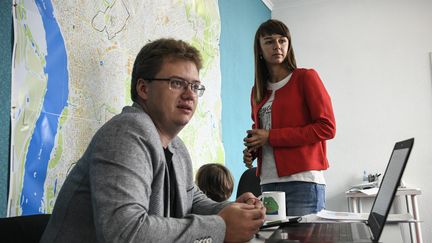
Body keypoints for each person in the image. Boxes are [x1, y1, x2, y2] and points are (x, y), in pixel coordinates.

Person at [41, 38, 265, 243]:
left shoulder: (177, 147)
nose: (190, 94)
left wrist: (236, 211)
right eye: (177, 83)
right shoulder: (126, 133)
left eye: (195, 86)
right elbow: (124, 233)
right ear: (143, 88)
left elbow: (193, 202)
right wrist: (222, 227)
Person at [243, 19, 336, 216]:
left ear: (288, 45)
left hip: (302, 182)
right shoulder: (257, 91)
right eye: (269, 41)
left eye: (282, 41)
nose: (277, 46)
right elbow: (266, 134)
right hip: (268, 183)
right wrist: (254, 148)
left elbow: (327, 127)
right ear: (259, 48)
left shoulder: (306, 78)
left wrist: (270, 136)